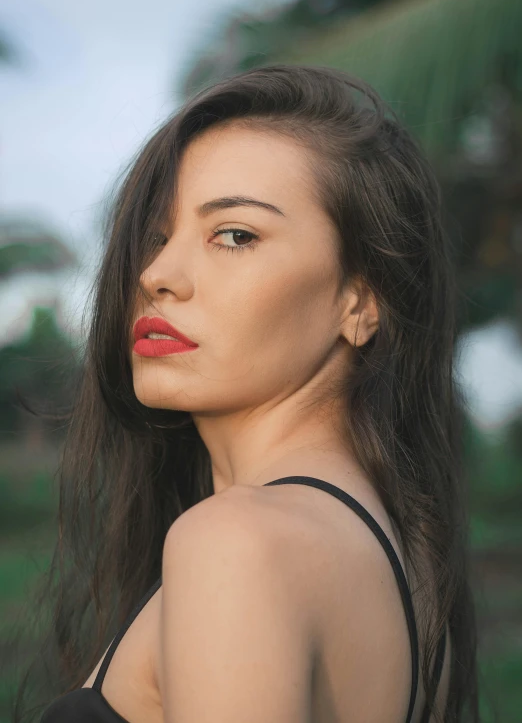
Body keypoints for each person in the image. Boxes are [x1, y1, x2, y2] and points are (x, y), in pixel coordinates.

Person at [15, 65, 478, 723]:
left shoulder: (237, 542)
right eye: (158, 236)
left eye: (234, 234)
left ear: (361, 299)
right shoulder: (404, 557)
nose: (156, 275)